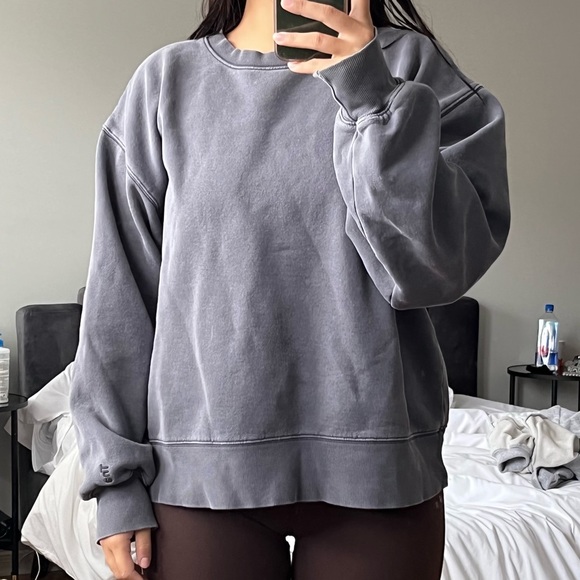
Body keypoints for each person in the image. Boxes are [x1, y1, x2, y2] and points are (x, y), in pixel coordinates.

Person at [69, 0, 510, 577]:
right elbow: (119, 298)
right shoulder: (166, 81)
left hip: (380, 470)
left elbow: (438, 268)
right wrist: (115, 479)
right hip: (202, 475)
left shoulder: (412, 68)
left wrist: (369, 95)